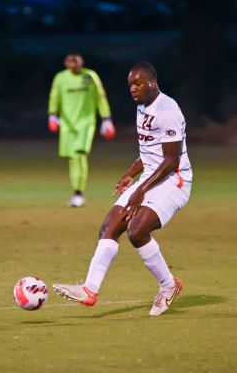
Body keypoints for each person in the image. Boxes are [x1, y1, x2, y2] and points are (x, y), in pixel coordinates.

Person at [53, 62, 193, 316]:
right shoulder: (141, 107)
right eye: (130, 84)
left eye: (138, 83)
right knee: (109, 226)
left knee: (137, 230)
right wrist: (131, 174)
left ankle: (168, 285)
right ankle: (89, 289)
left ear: (152, 82)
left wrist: (141, 190)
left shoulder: (168, 109)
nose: (133, 89)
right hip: (152, 177)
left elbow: (171, 161)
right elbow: (149, 152)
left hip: (175, 180)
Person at [48, 52, 116, 208]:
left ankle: (79, 193)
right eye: (71, 63)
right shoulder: (61, 78)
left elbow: (100, 97)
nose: (74, 65)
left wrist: (106, 118)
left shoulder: (88, 76)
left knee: (79, 155)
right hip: (67, 124)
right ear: (66, 64)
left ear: (81, 63)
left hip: (85, 122)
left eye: (77, 62)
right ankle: (76, 192)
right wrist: (52, 114)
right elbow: (54, 96)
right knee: (72, 158)